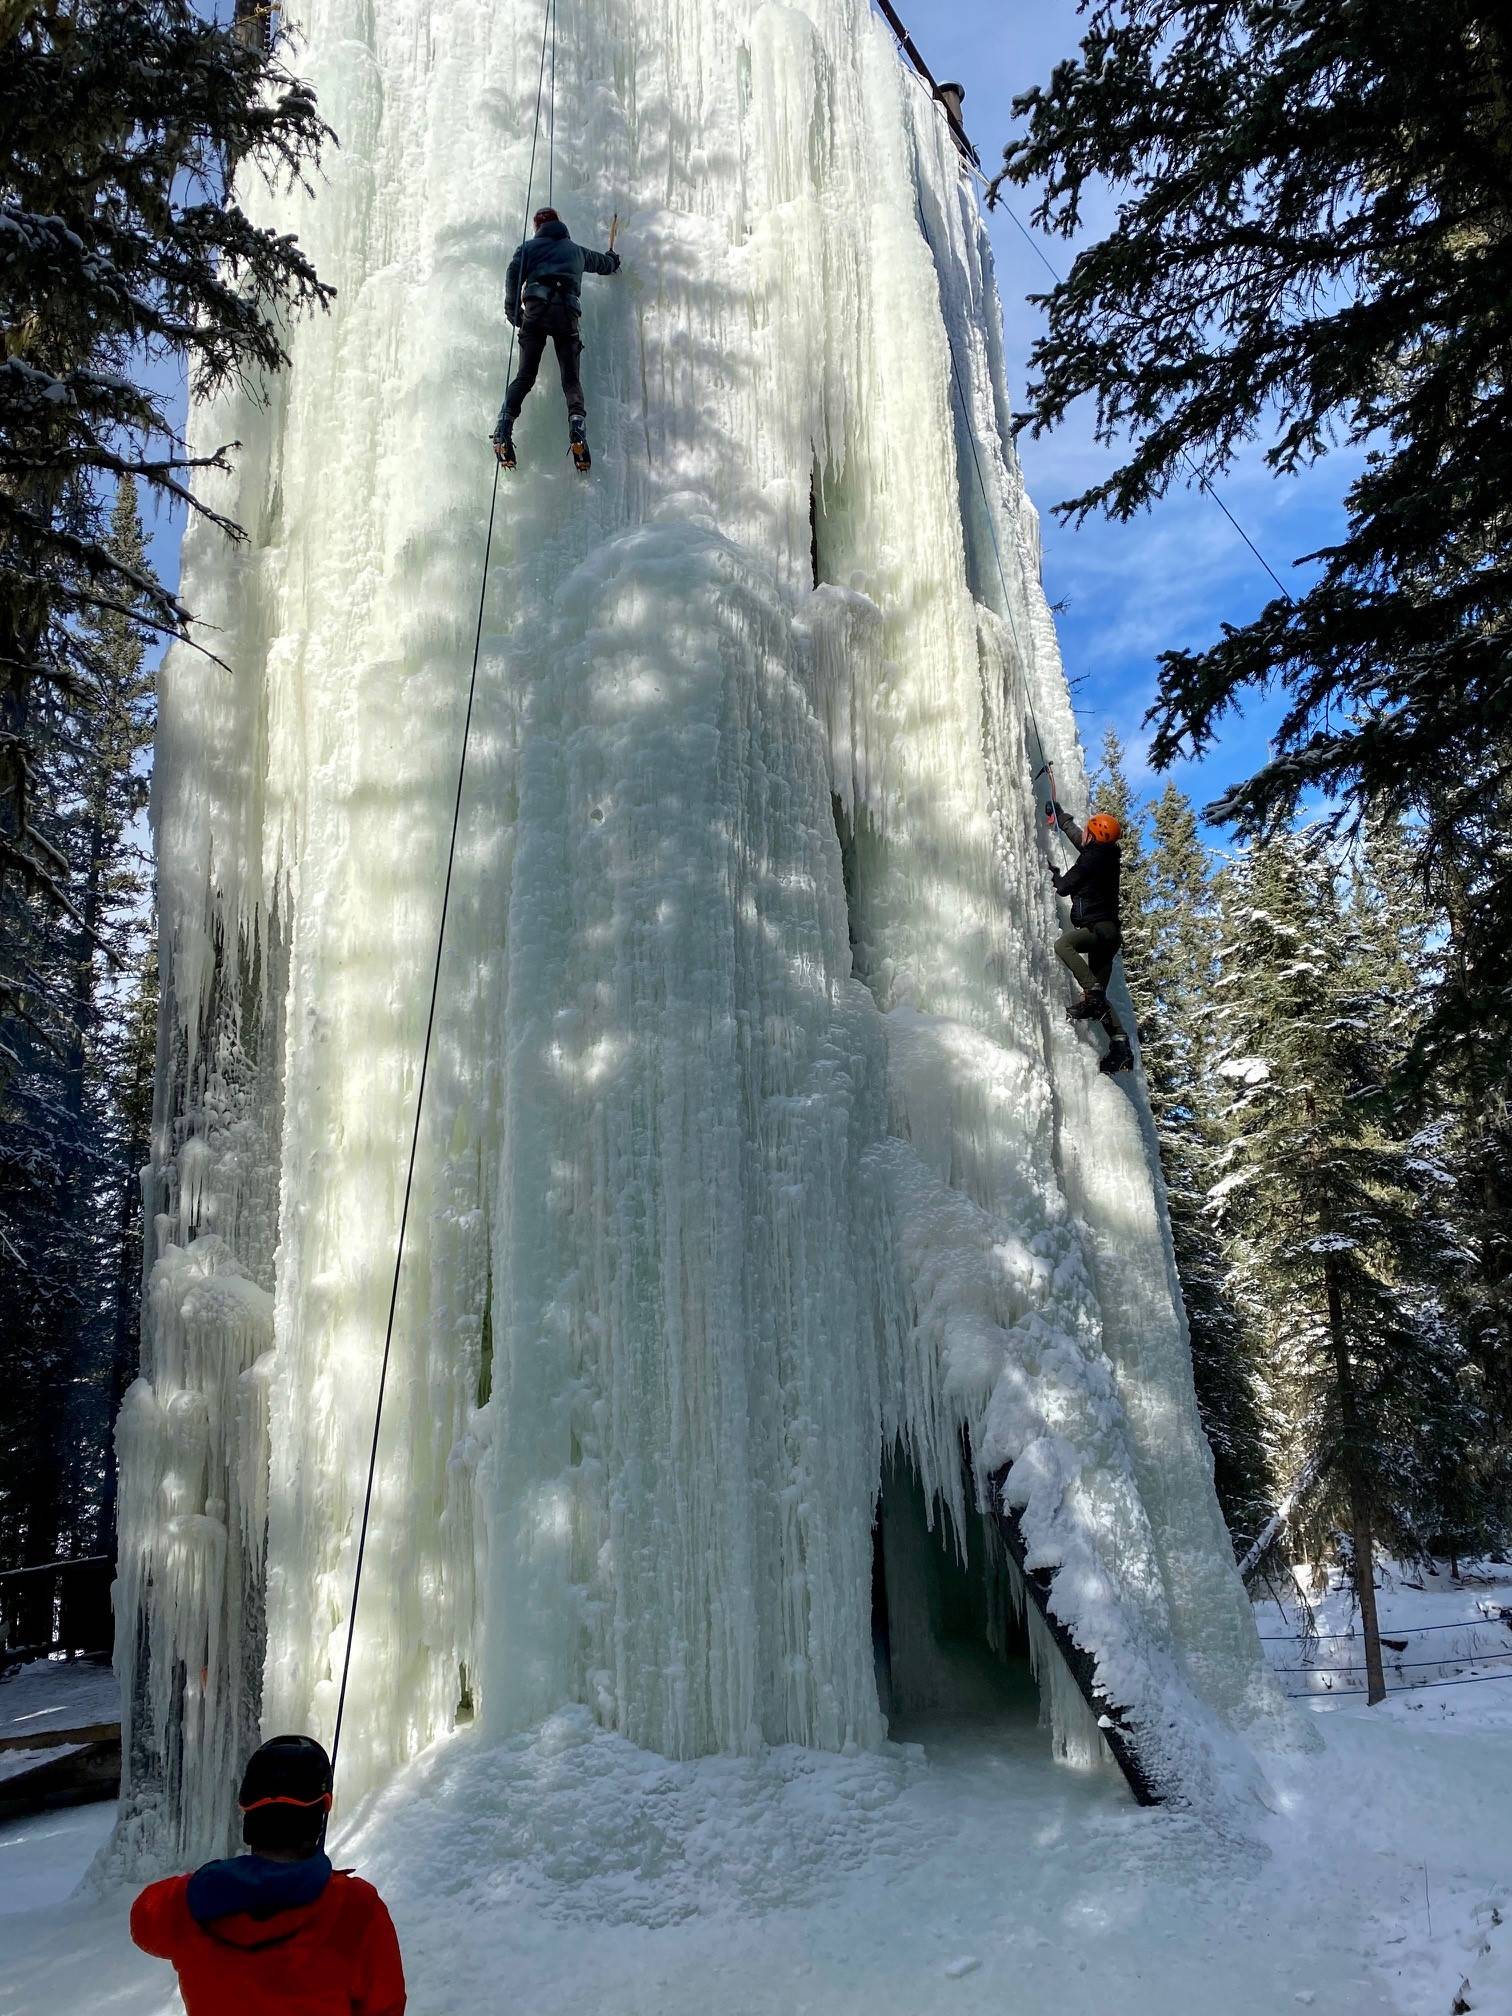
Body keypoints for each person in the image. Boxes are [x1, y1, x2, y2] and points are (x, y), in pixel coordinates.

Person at [130, 1734, 406, 2015]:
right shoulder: (357, 1909)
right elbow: (386, 2007)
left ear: (248, 1817)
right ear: (319, 1816)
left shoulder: (189, 1901)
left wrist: (212, 1881)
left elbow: (143, 1919)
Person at [491, 207, 622, 472]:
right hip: (566, 313)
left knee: (525, 376)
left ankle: (504, 424)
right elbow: (602, 264)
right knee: (570, 379)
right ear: (560, 225)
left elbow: (513, 276)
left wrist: (513, 312)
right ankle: (577, 426)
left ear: (537, 226)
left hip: (536, 309)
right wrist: (612, 260)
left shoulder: (528, 248)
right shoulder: (575, 251)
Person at [1046, 801, 1134, 1075]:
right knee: (1098, 1001)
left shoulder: (1092, 858)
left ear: (1094, 835)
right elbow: (1076, 836)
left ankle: (1091, 991)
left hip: (1099, 931)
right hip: (1110, 935)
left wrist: (1056, 877)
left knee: (1064, 945)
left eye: (1088, 830)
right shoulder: (1104, 855)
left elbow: (1065, 886)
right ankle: (1120, 1045)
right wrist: (1060, 817)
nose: (1083, 832)